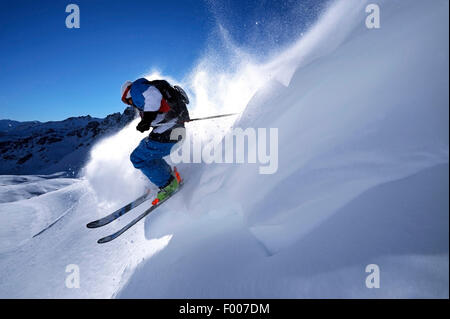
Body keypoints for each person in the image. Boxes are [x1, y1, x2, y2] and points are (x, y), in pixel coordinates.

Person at [121, 78, 190, 202]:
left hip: (168, 133)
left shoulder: (136, 88)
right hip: (176, 132)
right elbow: (159, 109)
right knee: (146, 150)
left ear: (126, 95)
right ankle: (168, 176)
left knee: (137, 158)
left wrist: (147, 119)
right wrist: (147, 122)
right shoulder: (148, 88)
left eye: (128, 102)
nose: (131, 104)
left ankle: (168, 185)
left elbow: (153, 96)